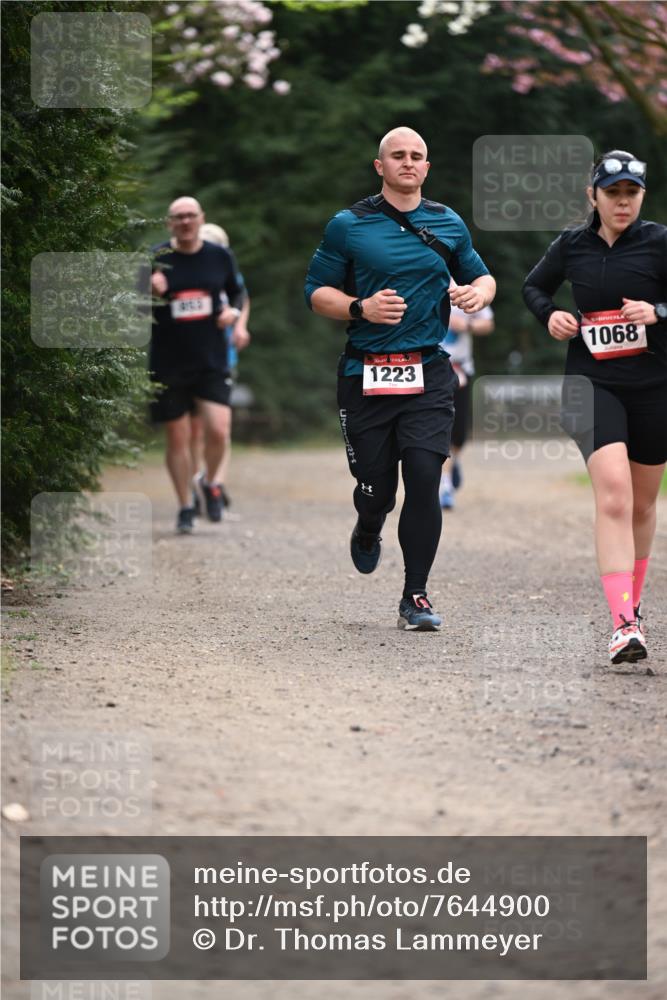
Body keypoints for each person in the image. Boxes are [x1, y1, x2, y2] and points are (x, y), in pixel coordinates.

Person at [305, 126, 496, 630]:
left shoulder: (447, 222)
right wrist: (359, 307)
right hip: (365, 371)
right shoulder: (348, 225)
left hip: (428, 370)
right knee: (377, 490)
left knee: (425, 476)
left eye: (416, 156)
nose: (408, 162)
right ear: (380, 166)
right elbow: (315, 292)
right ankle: (369, 525)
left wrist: (479, 293)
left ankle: (416, 595)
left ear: (426, 167)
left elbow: (482, 275)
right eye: (398, 155)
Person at [523, 150, 666, 665]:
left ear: (641, 196)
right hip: (592, 384)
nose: (622, 202)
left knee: (643, 504)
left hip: (654, 387)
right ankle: (623, 624)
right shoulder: (571, 245)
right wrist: (551, 315)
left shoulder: (660, 242)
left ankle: (633, 605)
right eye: (612, 193)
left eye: (631, 193)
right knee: (614, 497)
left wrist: (658, 310)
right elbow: (533, 286)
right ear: (593, 196)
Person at [149, 197, 244, 533]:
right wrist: (150, 291)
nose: (185, 222)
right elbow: (132, 308)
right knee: (178, 439)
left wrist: (233, 313)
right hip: (168, 362)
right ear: (169, 223)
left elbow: (236, 293)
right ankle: (185, 505)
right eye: (179, 217)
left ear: (201, 219)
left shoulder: (219, 256)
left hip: (211, 359)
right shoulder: (155, 257)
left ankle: (210, 481)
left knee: (218, 430)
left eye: (191, 216)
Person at [188, 222, 251, 513]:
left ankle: (215, 484)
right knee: (194, 429)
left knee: (219, 429)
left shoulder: (226, 270)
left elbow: (242, 297)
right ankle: (195, 485)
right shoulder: (189, 270)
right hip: (190, 357)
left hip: (224, 357)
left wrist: (240, 326)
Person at [438, 302, 494, 509]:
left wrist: (466, 325)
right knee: (438, 426)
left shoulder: (466, 291)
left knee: (459, 431)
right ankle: (444, 485)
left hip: (460, 369)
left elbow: (488, 324)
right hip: (431, 370)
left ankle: (453, 462)